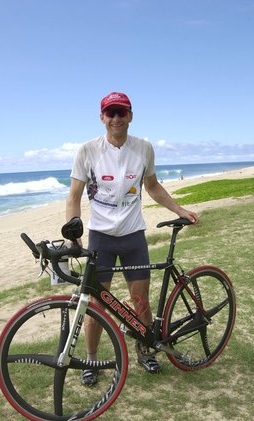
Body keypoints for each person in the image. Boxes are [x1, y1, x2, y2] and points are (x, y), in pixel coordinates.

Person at [66, 91, 199, 386]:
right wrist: (74, 236)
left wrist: (180, 209)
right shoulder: (87, 150)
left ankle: (145, 350)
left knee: (140, 301)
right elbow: (74, 196)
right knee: (97, 305)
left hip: (133, 236)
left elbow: (152, 186)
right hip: (100, 236)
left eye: (121, 113)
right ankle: (91, 359)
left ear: (130, 116)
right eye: (110, 113)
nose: (116, 118)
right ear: (102, 117)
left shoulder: (144, 148)